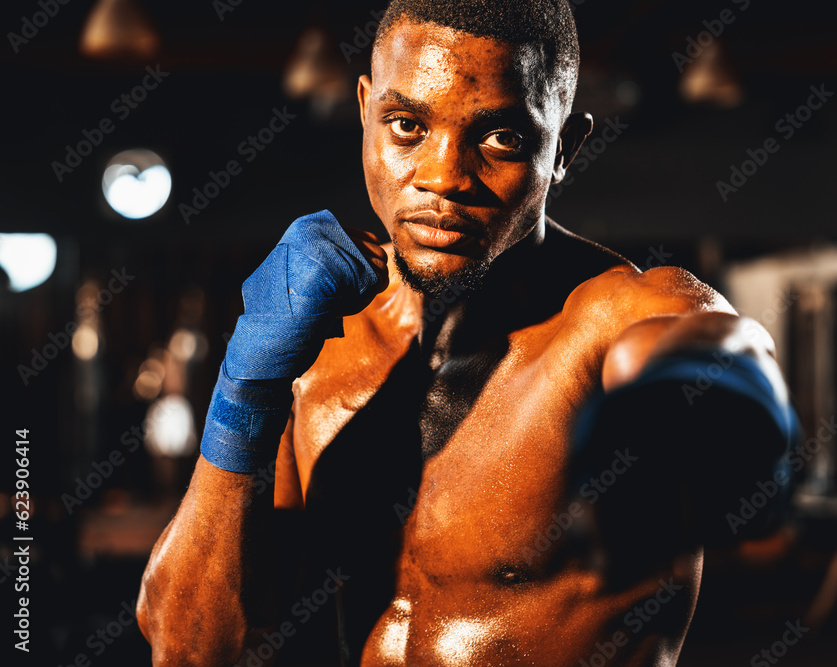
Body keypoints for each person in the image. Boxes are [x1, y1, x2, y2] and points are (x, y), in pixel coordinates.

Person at [137, 1, 797, 665]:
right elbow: (189, 647)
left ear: (564, 147)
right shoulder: (314, 352)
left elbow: (710, 343)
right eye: (407, 126)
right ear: (366, 113)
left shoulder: (611, 322)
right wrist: (245, 383)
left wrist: (724, 385)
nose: (444, 177)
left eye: (501, 137)